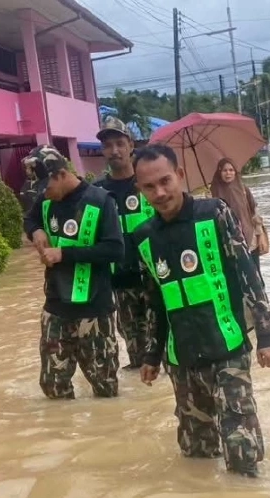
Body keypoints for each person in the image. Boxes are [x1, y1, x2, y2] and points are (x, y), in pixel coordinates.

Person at [131, 144, 270, 478]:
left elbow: (247, 272)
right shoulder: (143, 238)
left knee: (242, 453)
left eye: (165, 181)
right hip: (181, 358)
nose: (159, 192)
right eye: (149, 187)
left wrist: (267, 333)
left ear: (180, 176)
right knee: (196, 456)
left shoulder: (214, 213)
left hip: (227, 346)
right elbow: (154, 302)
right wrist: (151, 355)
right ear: (139, 190)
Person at [22, 145, 124, 400]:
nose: (44, 194)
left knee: (106, 390)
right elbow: (29, 219)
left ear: (60, 174)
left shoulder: (101, 201)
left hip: (94, 309)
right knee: (53, 388)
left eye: (47, 187)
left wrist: (64, 254)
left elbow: (114, 250)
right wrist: (36, 231)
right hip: (56, 307)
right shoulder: (45, 199)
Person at [93, 116, 156, 371]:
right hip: (119, 282)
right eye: (108, 146)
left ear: (131, 145)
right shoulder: (97, 193)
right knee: (137, 355)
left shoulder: (150, 184)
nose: (114, 151)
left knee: (164, 347)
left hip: (156, 279)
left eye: (119, 143)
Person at [209, 157, 269, 275]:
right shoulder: (213, 193)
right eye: (225, 170)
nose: (228, 173)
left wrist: (260, 235)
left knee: (256, 276)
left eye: (231, 170)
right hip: (228, 244)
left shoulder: (243, 189)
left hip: (250, 239)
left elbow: (254, 213)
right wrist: (208, 202)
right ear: (219, 171)